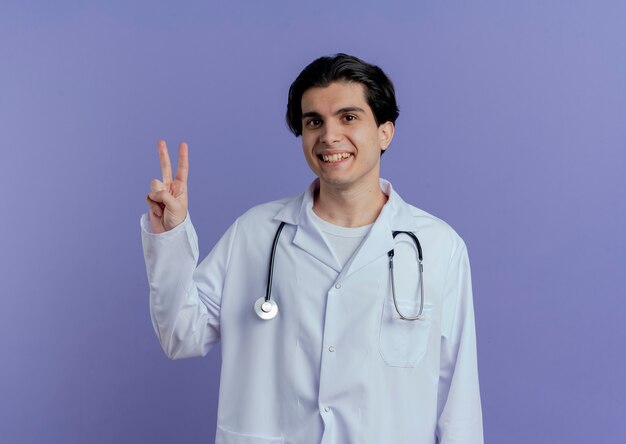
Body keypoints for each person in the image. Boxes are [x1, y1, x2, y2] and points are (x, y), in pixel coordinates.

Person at [141, 53, 483, 444]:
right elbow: (181, 335)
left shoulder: (438, 247)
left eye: (348, 117)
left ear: (385, 132)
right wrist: (170, 236)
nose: (329, 136)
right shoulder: (256, 233)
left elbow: (458, 400)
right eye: (313, 122)